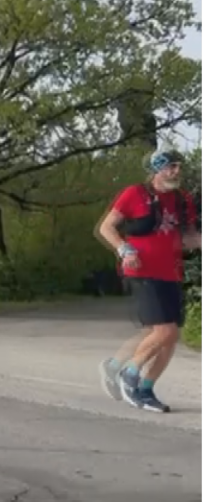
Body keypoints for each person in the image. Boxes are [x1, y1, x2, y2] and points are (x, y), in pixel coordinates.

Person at [96, 149, 200, 412]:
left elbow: (189, 238)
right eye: (170, 167)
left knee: (167, 338)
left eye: (178, 166)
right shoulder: (135, 194)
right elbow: (107, 227)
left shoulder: (183, 199)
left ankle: (145, 388)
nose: (176, 171)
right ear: (156, 169)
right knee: (165, 331)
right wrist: (123, 249)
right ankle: (129, 375)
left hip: (170, 273)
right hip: (141, 272)